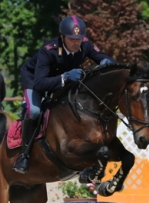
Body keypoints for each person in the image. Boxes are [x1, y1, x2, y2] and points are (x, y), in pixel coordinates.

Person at [13, 15, 115, 174]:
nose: (76, 42)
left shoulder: (84, 44)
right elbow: (40, 83)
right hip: (35, 79)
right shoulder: (49, 50)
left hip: (61, 79)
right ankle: (24, 154)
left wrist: (107, 63)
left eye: (79, 38)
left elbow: (101, 57)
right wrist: (65, 77)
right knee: (34, 111)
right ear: (62, 37)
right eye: (72, 39)